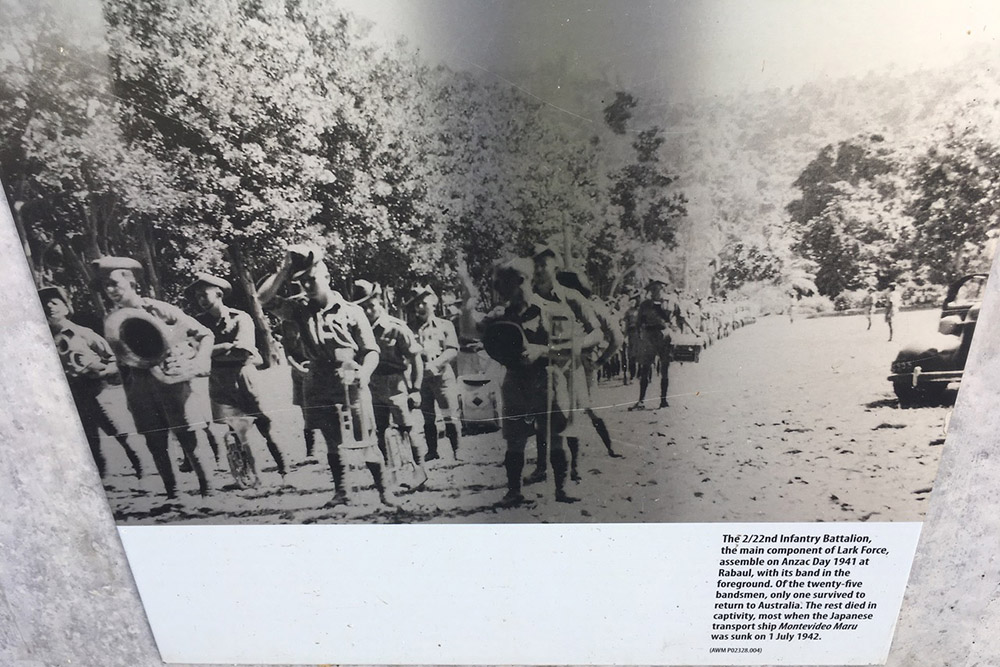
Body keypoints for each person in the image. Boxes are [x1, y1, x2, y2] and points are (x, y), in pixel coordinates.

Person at [256, 245, 396, 508]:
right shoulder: (299, 309)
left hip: (350, 380)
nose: (308, 285)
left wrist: (363, 374)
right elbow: (262, 299)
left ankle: (384, 493)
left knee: (366, 438)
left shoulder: (352, 311)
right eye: (303, 281)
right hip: (318, 380)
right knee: (332, 441)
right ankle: (342, 493)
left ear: (327, 278)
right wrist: (284, 268)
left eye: (312, 279)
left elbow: (371, 351)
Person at [94, 256, 213, 499]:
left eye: (115, 283)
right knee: (154, 441)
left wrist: (197, 362)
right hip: (138, 389)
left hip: (172, 383)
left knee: (188, 436)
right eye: (106, 286)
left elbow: (204, 334)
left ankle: (209, 491)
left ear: (132, 283)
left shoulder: (156, 308)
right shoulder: (112, 321)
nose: (110, 290)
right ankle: (174, 494)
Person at [464, 258, 578, 506]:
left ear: (520, 281)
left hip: (548, 379)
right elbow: (470, 333)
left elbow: (568, 350)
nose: (497, 288)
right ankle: (514, 491)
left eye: (501, 283)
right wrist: (466, 304)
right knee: (514, 439)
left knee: (556, 435)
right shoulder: (499, 315)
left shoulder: (552, 311)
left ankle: (562, 489)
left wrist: (540, 350)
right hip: (515, 380)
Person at [188, 273, 285, 486]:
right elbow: (194, 352)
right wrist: (224, 347)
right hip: (218, 381)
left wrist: (210, 351)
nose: (201, 300)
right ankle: (247, 477)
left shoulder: (240, 318)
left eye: (204, 294)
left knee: (264, 424)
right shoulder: (198, 324)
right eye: (197, 296)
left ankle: (284, 472)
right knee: (234, 432)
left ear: (219, 294)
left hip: (245, 378)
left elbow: (244, 352)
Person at [39, 285, 144, 480]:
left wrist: (104, 370)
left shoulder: (82, 333)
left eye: (54, 303)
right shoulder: (40, 339)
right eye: (44, 305)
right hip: (70, 396)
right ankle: (103, 478)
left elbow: (113, 358)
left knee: (118, 430)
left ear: (65, 306)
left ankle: (141, 469)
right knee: (89, 438)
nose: (49, 307)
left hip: (98, 391)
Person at [526, 245, 602, 485]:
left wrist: (580, 344)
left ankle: (575, 467)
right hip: (540, 368)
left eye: (543, 265)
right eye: (535, 265)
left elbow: (597, 332)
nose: (538, 270)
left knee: (570, 419)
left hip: (569, 368)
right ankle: (541, 467)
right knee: (541, 418)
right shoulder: (528, 299)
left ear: (555, 267)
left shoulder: (572, 297)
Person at [352, 279, 428, 490]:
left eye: (371, 305)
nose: (368, 311)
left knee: (407, 428)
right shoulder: (359, 331)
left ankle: (419, 474)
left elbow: (416, 359)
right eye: (362, 307)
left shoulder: (396, 328)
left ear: (380, 303)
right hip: (372, 385)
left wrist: (416, 390)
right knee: (379, 431)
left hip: (397, 385)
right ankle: (386, 477)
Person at [556, 271, 623, 460]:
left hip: (583, 361)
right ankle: (609, 448)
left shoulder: (587, 307)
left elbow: (617, 338)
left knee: (580, 408)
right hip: (581, 360)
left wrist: (599, 361)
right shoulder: (592, 306)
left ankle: (578, 457)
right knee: (581, 408)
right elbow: (617, 338)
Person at [411, 287, 462, 462]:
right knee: (427, 417)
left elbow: (453, 350)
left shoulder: (445, 325)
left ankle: (457, 450)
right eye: (417, 304)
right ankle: (432, 451)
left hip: (443, 377)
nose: (419, 307)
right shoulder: (411, 328)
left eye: (423, 303)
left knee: (450, 414)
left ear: (433, 303)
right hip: (422, 380)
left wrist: (436, 363)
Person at [630, 277, 675, 411]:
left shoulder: (670, 303)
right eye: (653, 289)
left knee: (665, 369)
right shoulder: (645, 305)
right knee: (645, 368)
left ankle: (663, 400)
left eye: (658, 289)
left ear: (663, 289)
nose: (655, 291)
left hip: (664, 335)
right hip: (649, 336)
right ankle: (641, 400)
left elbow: (679, 318)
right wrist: (640, 337)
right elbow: (638, 322)